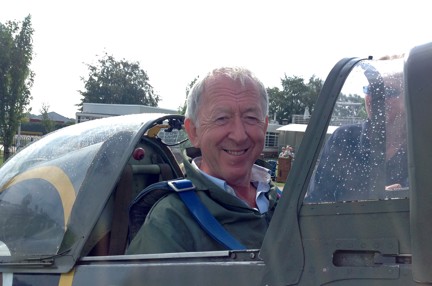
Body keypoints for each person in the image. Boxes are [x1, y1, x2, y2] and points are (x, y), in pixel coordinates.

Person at [126, 67, 280, 254]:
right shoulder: (170, 223)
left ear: (264, 127)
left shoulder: (284, 201)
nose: (239, 135)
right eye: (222, 118)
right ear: (193, 132)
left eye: (251, 118)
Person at [305, 66, 408, 203]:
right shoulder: (343, 139)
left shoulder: (423, 147)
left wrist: (404, 196)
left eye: (388, 91)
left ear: (408, 98)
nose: (377, 98)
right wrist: (370, 202)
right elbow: (316, 201)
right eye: (372, 90)